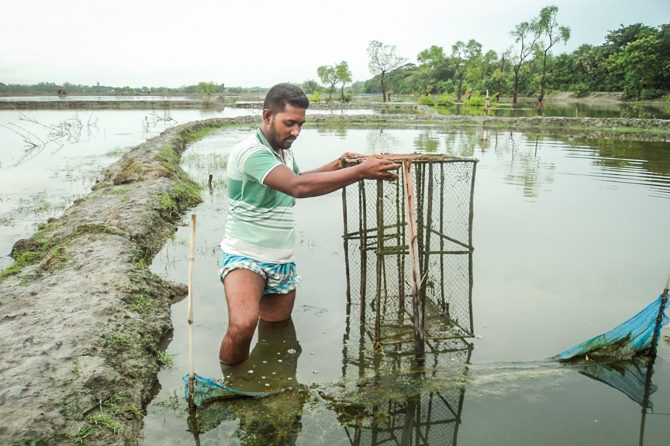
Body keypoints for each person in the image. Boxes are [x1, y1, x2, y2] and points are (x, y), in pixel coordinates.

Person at [219, 83, 398, 365]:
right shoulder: (252, 152)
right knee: (242, 326)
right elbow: (298, 187)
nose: (296, 132)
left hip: (281, 260)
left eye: (301, 124)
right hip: (246, 255)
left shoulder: (282, 152)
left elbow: (302, 178)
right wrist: (361, 172)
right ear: (267, 116)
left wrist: (341, 164)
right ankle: (233, 384)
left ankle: (273, 385)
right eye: (289, 123)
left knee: (277, 331)